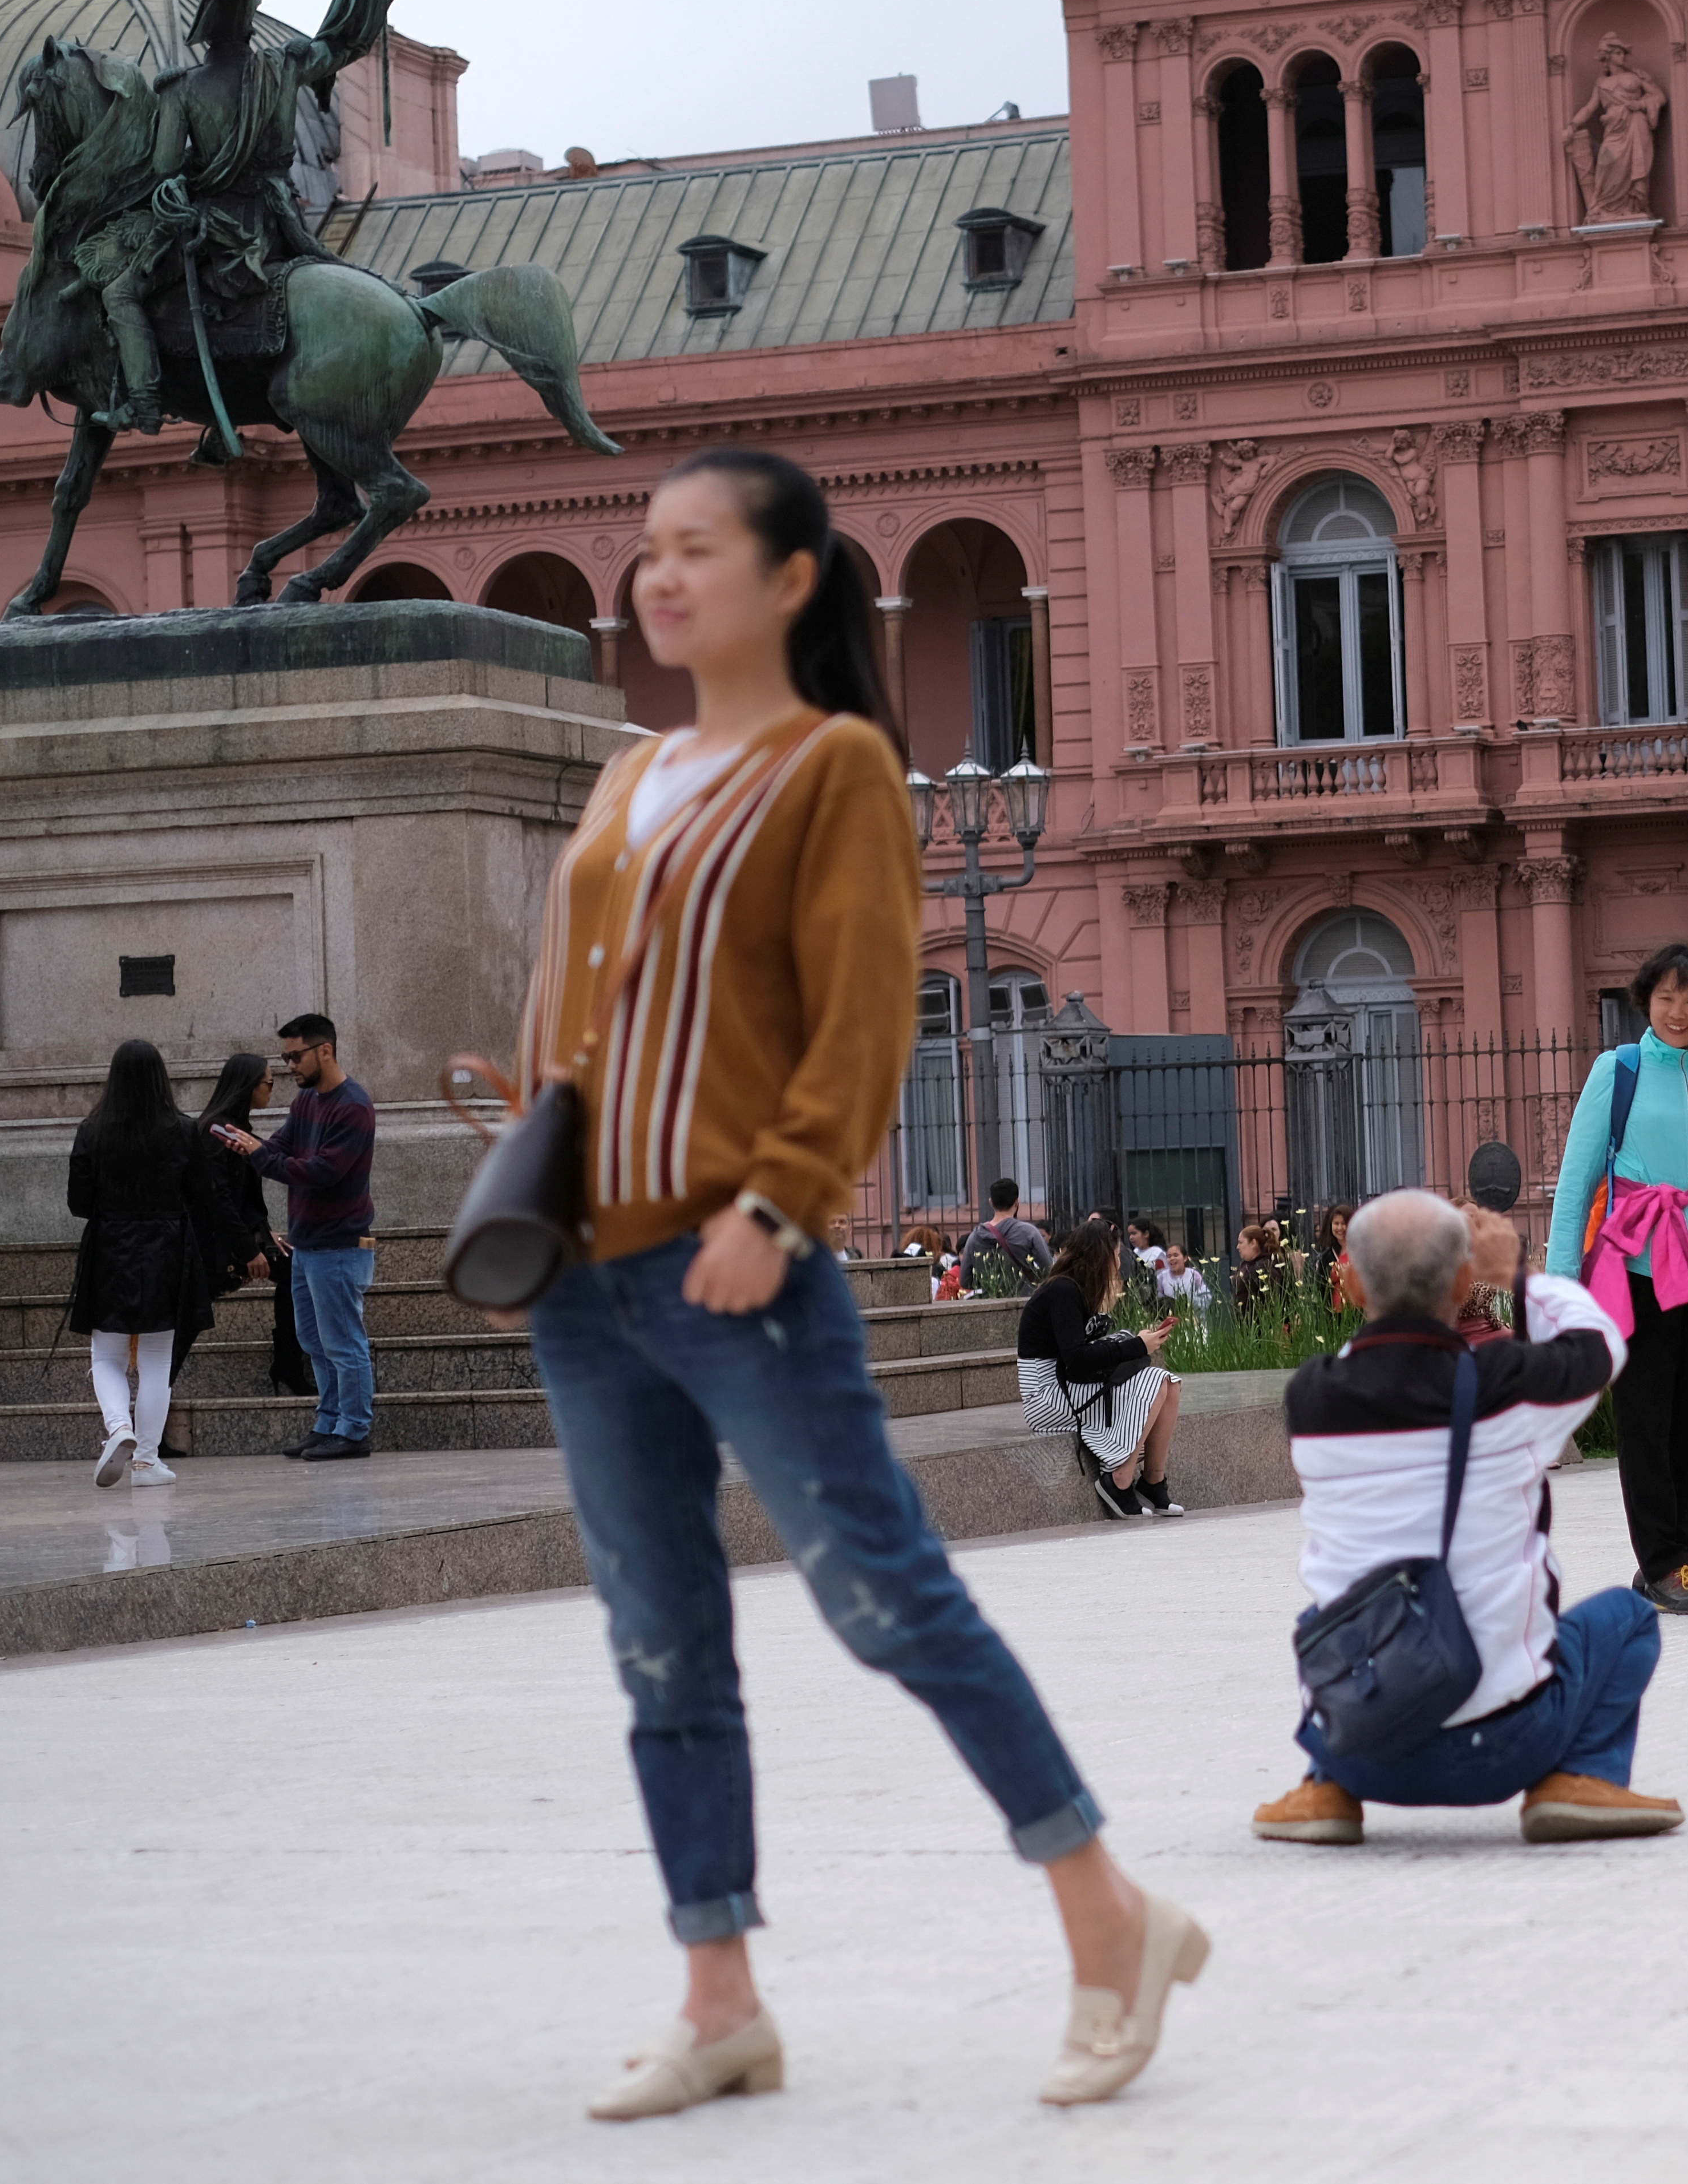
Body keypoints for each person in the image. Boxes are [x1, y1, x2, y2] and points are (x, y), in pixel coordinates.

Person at [509, 443, 1201, 2120]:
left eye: (697, 550)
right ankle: (720, 1992)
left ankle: (1111, 1920)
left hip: (743, 1257)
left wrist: (780, 1200)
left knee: (890, 1600)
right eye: (648, 552)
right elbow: (570, 994)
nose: (659, 579)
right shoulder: (630, 776)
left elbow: (862, 1017)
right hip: (584, 1272)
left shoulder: (833, 774)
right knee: (658, 1638)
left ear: (793, 579)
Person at [1250, 1191, 1682, 1848]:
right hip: (1506, 1746)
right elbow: (1601, 1350)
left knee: (1336, 1607)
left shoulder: (1310, 1397)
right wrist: (1518, 1275)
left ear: (1349, 1280)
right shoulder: (1501, 1383)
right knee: (1630, 1619)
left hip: (1360, 1741)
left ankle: (1326, 1788)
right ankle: (1576, 1779)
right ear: (1462, 1280)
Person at [1545, 941, 1688, 1616]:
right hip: (1639, 1264)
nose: (1678, 1011)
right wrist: (1559, 1288)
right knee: (1646, 1416)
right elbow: (1576, 1184)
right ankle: (1666, 1562)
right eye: (1666, 997)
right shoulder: (1619, 1070)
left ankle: (1674, 1561)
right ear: (1647, 1000)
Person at [213, 1012, 377, 1459]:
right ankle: (328, 1423)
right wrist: (251, 1146)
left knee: (343, 1342)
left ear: (325, 1050)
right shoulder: (307, 1102)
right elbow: (284, 1146)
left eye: (295, 1057)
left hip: (340, 1246)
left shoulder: (354, 1106)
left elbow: (323, 1172)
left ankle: (355, 1431)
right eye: (284, 1059)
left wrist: (260, 1158)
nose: (289, 1068)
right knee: (314, 1342)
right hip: (308, 1246)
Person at [62, 1040, 221, 1489]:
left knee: (107, 1352)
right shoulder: (184, 1130)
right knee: (156, 1359)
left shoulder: (92, 1131)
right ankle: (148, 1462)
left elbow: (78, 1202)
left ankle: (119, 1428)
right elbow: (201, 1194)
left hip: (110, 1244)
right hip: (168, 1245)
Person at [1019, 1215, 1188, 1519]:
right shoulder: (1063, 1291)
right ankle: (1118, 1480)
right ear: (1102, 1256)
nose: (1120, 1261)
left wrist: (1137, 1341)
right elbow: (1078, 1360)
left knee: (1171, 1385)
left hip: (1065, 1383)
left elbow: (1080, 1358)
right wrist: (1137, 1345)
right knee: (1156, 1381)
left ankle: (1153, 1482)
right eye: (1116, 1253)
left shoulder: (1074, 1289)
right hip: (1046, 1395)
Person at [180, 1049, 312, 1415]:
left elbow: (243, 1198)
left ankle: (287, 1366)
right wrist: (249, 1251)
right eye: (269, 1082)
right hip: (211, 1247)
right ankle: (148, 1427)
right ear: (247, 1086)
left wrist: (266, 1237)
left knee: (294, 1271)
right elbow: (216, 1200)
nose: (273, 1088)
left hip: (235, 1238)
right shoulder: (215, 1131)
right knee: (183, 1331)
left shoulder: (238, 1129)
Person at [966, 1178, 1053, 1292]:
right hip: (1025, 1302)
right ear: (1017, 1202)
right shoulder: (1029, 1233)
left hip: (990, 1304)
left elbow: (965, 1280)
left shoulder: (975, 1236)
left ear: (991, 1202)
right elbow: (1048, 1270)